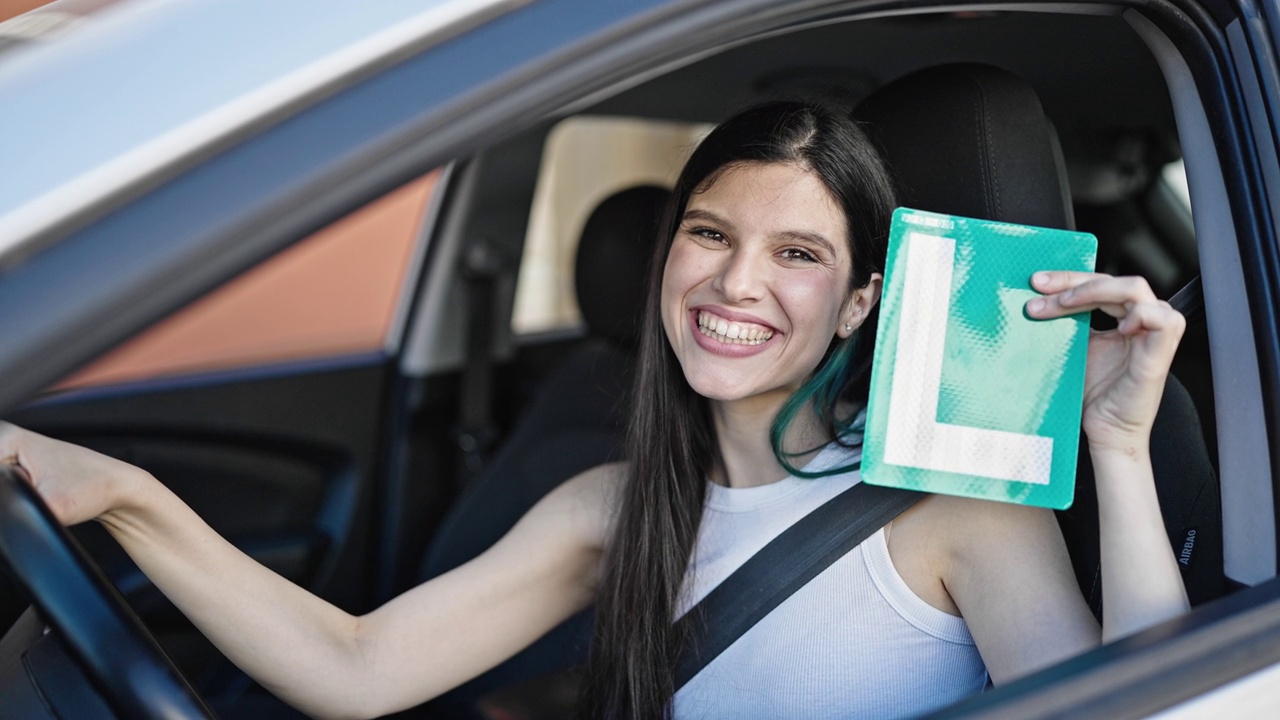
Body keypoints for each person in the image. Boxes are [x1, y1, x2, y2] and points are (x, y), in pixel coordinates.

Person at [0, 102, 1188, 720]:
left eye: (796, 255)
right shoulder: (606, 507)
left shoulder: (956, 512)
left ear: (855, 307)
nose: (735, 283)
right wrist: (127, 499)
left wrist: (1118, 448)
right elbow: (354, 668)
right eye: (710, 236)